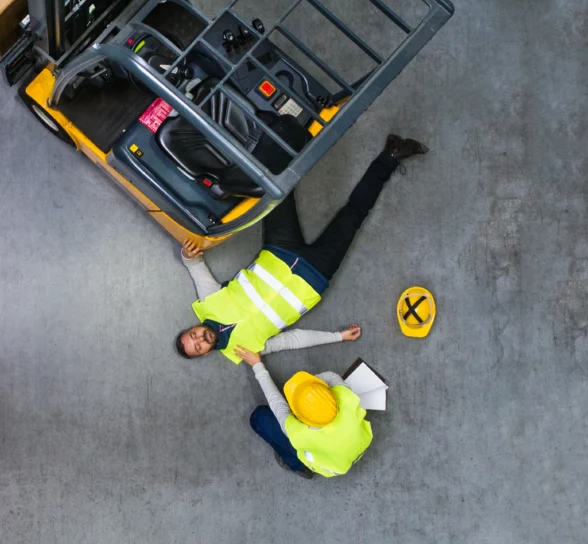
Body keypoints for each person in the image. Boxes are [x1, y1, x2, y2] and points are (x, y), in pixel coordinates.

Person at [175, 134, 428, 362]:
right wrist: (338, 337)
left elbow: (195, 266)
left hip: (279, 250)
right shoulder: (245, 352)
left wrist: (188, 256)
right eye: (197, 347)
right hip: (315, 275)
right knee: (354, 215)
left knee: (274, 192)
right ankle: (391, 155)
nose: (199, 339)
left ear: (192, 327)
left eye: (192, 335)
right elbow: (291, 340)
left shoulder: (208, 302)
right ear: (205, 354)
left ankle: (282, 128)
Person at [236, 346, 372, 479]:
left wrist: (257, 365)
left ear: (299, 419)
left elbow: (277, 403)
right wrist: (310, 388)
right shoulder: (346, 398)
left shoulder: (299, 434)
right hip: (360, 445)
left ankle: (298, 466)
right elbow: (332, 376)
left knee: (259, 417)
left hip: (329, 466)